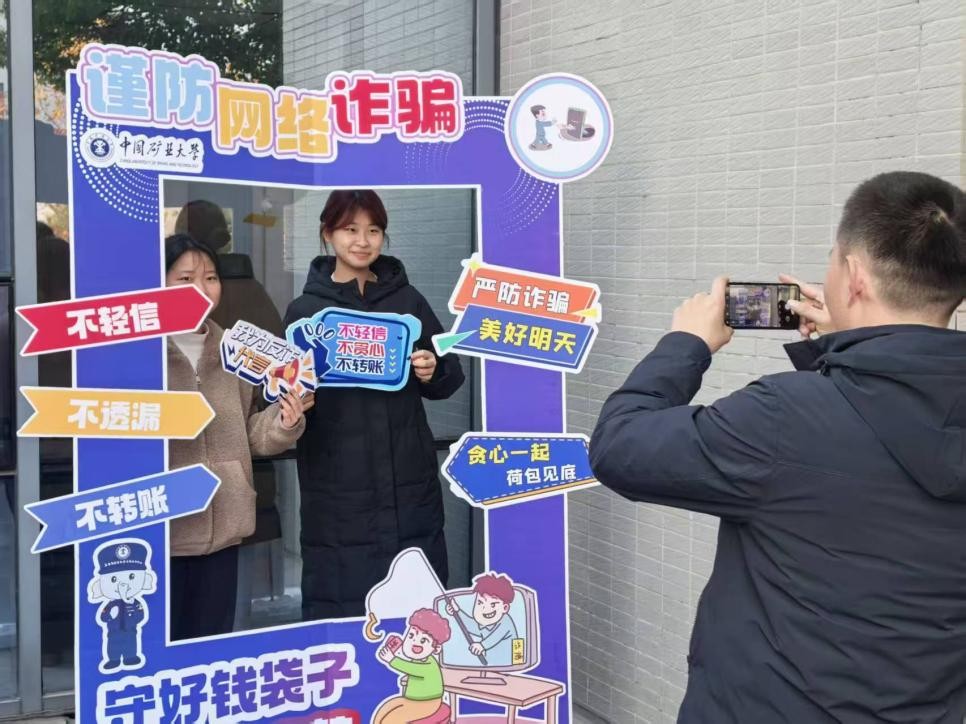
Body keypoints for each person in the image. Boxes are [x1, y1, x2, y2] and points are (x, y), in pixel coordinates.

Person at [589, 171, 966, 724]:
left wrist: (685, 344)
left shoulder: (783, 419)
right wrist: (847, 348)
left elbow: (620, 446)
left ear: (855, 277)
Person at [284, 189, 465, 620]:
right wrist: (292, 401)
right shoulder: (306, 312)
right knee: (342, 606)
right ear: (327, 234)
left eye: (374, 230)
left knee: (419, 615)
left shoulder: (408, 302)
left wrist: (432, 368)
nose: (362, 241)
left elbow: (450, 374)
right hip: (337, 487)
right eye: (350, 229)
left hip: (408, 482)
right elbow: (282, 390)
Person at [165, 233, 310, 640]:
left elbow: (250, 434)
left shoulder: (236, 350)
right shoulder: (136, 354)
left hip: (225, 529)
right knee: (162, 650)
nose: (201, 288)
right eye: (185, 279)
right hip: (163, 531)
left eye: (210, 277)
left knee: (210, 648)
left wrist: (283, 422)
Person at [374, 608, 451, 724]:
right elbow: (410, 667)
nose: (415, 642)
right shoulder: (419, 659)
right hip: (411, 700)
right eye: (411, 635)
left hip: (429, 702)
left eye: (423, 640)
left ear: (436, 648)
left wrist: (391, 659)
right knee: (384, 710)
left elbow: (410, 668)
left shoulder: (429, 665)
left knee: (392, 719)